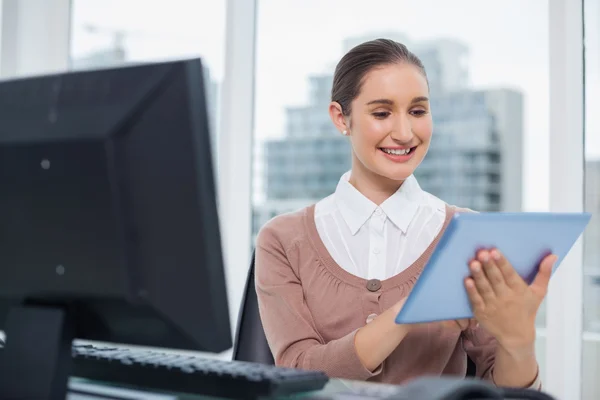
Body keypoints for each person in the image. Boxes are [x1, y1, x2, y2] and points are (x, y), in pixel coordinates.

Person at [254, 38, 554, 389]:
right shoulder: (283, 239)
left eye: (417, 111)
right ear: (341, 118)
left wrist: (519, 343)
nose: (404, 132)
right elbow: (297, 371)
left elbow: (502, 391)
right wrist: (408, 313)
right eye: (382, 113)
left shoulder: (467, 233)